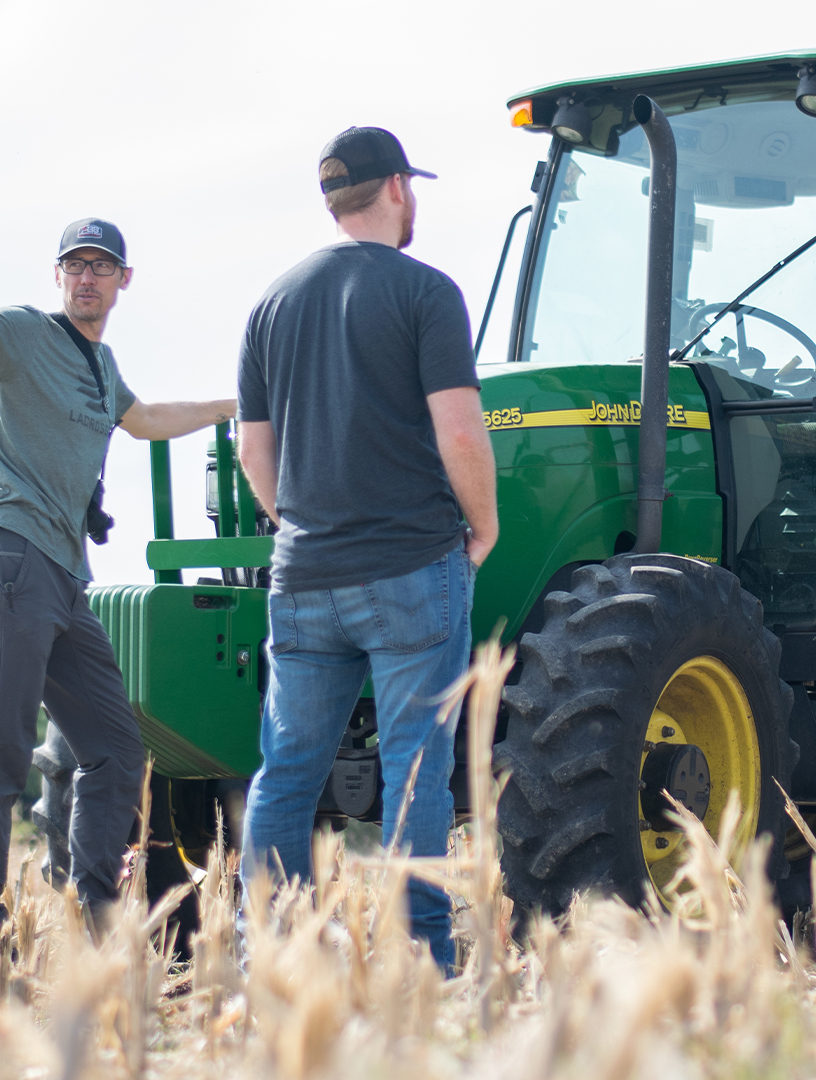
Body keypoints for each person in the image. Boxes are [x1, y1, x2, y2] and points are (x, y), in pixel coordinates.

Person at [0, 220, 237, 930]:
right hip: (9, 559)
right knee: (0, 748)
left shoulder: (101, 365)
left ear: (123, 280)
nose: (87, 278)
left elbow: (143, 418)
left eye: (102, 267)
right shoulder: (25, 336)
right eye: (75, 266)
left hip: (62, 577)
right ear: (57, 276)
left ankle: (97, 916)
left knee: (117, 751)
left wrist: (229, 407)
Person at [235, 128, 497, 972]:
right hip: (412, 567)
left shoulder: (270, 304)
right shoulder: (426, 293)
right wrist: (482, 525)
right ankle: (422, 957)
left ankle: (263, 954)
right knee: (413, 764)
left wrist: (296, 523)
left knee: (287, 771)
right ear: (396, 188)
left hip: (304, 574)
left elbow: (253, 450)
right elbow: (459, 429)